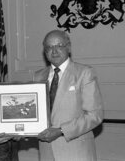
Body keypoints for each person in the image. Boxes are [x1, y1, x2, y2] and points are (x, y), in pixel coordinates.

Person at [33, 30, 104, 161]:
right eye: (49, 47)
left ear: (69, 47)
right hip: (46, 151)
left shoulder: (84, 73)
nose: (54, 51)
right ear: (44, 51)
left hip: (76, 151)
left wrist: (61, 131)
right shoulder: (38, 76)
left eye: (59, 45)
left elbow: (95, 115)